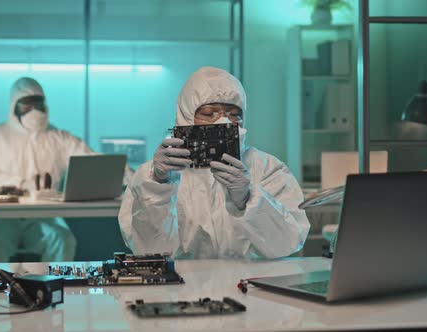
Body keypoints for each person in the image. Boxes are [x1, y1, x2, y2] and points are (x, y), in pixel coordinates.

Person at [118, 67, 310, 259]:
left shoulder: (266, 168)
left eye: (235, 114)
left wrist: (248, 199)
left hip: (251, 284)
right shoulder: (151, 176)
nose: (225, 122)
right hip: (180, 286)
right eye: (209, 114)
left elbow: (287, 244)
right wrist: (157, 186)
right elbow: (149, 250)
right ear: (186, 115)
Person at [0, 77, 93, 263]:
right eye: (27, 104)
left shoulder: (59, 138)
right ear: (14, 106)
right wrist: (19, 183)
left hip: (43, 217)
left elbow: (93, 161)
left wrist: (135, 178)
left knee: (63, 239)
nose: (34, 110)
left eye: (38, 103)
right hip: (0, 216)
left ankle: (53, 288)